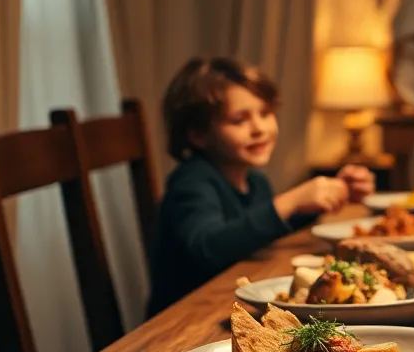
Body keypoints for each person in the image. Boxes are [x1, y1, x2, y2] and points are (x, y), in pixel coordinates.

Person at [147, 57, 375, 316]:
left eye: (265, 113)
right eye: (239, 120)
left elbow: (259, 230)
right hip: (184, 318)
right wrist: (289, 201)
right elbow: (209, 248)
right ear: (198, 134)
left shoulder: (255, 181)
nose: (259, 128)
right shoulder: (191, 181)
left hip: (229, 307)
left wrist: (327, 195)